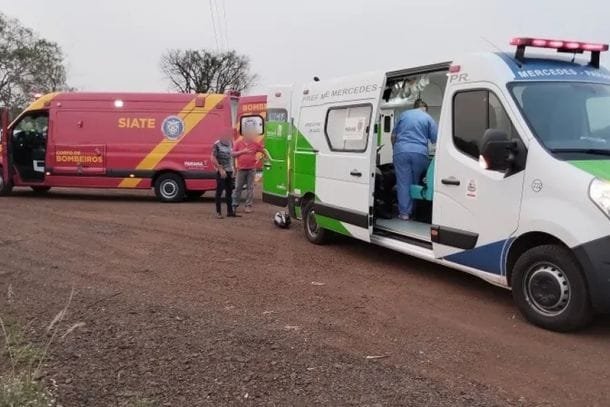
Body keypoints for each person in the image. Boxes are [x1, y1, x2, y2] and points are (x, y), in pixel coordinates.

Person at [391, 99, 438, 221]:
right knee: (417, 182)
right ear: (425, 109)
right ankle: (416, 212)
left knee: (403, 183)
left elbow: (393, 136)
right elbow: (435, 139)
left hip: (401, 151)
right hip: (419, 153)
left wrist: (395, 150)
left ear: (414, 107)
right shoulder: (428, 118)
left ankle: (404, 213)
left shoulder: (403, 115)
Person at [232, 129, 268, 214]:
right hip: (241, 169)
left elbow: (263, 150)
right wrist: (243, 151)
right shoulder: (238, 143)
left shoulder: (255, 144)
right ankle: (234, 205)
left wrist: (265, 157)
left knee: (250, 188)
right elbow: (232, 154)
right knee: (238, 187)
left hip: (251, 169)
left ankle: (248, 206)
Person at [210, 130, 237, 219]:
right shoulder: (217, 144)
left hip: (229, 170)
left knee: (229, 191)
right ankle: (218, 212)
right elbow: (212, 157)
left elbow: (231, 157)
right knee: (219, 192)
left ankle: (230, 212)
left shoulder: (230, 143)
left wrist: (234, 169)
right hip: (221, 171)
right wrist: (220, 168)